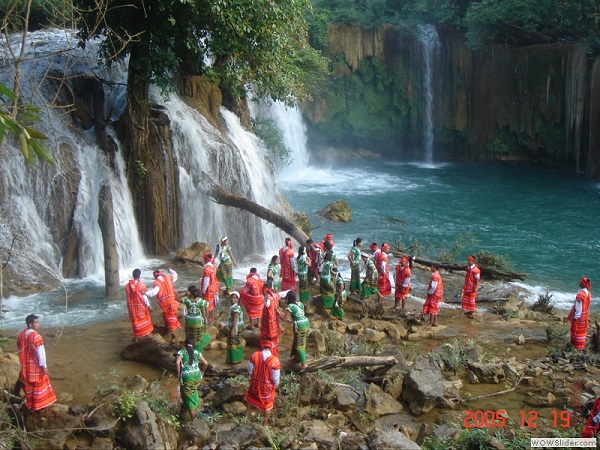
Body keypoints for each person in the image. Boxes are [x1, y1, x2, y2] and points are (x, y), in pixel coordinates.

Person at [16, 314, 57, 411]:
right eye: (36, 323)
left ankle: (30, 405)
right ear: (30, 324)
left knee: (29, 385)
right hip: (35, 365)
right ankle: (39, 406)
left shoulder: (22, 334)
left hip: (25, 365)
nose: (38, 325)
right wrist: (44, 367)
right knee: (40, 382)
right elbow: (41, 353)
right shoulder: (36, 336)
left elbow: (19, 346)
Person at [245, 338, 281, 426]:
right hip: (266, 388)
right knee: (268, 405)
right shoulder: (275, 361)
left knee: (250, 398)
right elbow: (276, 379)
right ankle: (264, 424)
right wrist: (274, 386)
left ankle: (246, 416)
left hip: (254, 384)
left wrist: (252, 377)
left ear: (262, 346)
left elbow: (249, 370)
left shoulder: (254, 355)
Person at [176, 338, 208, 421]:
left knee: (190, 393)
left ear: (184, 345)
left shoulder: (182, 352)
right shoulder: (196, 352)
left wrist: (179, 375)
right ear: (193, 345)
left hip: (187, 377)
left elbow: (177, 363)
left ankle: (193, 417)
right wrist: (202, 373)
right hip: (196, 377)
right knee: (185, 389)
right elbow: (206, 363)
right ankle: (186, 403)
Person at [146, 268, 181, 341]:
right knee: (171, 317)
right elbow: (175, 275)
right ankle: (169, 331)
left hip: (166, 305)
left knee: (170, 319)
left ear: (155, 276)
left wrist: (145, 293)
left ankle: (174, 336)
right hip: (172, 302)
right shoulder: (168, 278)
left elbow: (154, 292)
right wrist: (171, 270)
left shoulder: (157, 282)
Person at [177, 285, 211, 352]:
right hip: (197, 321)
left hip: (189, 321)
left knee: (189, 336)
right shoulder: (200, 301)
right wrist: (205, 319)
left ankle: (189, 349)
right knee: (198, 336)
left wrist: (184, 294)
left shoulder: (187, 300)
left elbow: (176, 298)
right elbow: (203, 311)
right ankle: (197, 350)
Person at [125, 268, 154, 340]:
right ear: (139, 276)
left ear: (133, 275)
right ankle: (146, 334)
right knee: (144, 319)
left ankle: (136, 337)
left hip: (131, 306)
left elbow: (128, 295)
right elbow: (144, 297)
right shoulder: (141, 285)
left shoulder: (127, 286)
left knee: (135, 320)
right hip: (139, 305)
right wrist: (149, 306)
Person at [260, 281, 287, 356]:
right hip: (274, 320)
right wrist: (289, 290)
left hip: (268, 321)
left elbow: (267, 304)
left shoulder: (268, 298)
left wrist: (266, 299)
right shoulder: (274, 296)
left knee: (268, 336)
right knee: (273, 336)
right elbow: (281, 294)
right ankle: (274, 351)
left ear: (265, 290)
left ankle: (268, 351)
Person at [284, 291, 310, 370]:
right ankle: (297, 357)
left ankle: (304, 364)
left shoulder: (290, 306)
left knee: (299, 345)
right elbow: (299, 315)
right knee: (301, 341)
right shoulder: (300, 304)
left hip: (299, 326)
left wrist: (278, 313)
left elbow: (285, 319)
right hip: (306, 322)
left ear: (288, 298)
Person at [568, 277, 592, 351]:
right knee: (582, 331)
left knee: (576, 330)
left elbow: (579, 307)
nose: (579, 283)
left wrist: (576, 317)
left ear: (583, 284)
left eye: (580, 282)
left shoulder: (581, 293)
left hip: (579, 316)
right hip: (584, 315)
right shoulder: (588, 293)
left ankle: (575, 347)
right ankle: (580, 346)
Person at [227, 291, 246, 364]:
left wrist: (233, 330)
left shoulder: (235, 308)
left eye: (235, 298)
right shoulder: (236, 307)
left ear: (238, 299)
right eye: (232, 298)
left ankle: (234, 359)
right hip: (238, 326)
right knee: (237, 341)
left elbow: (235, 319)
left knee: (233, 342)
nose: (233, 299)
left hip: (235, 327)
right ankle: (237, 358)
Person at [201, 253, 220, 324]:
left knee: (207, 305)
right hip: (214, 288)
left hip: (208, 289)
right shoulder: (212, 267)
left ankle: (208, 319)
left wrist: (203, 290)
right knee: (211, 304)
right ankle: (211, 318)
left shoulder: (207, 269)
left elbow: (206, 281)